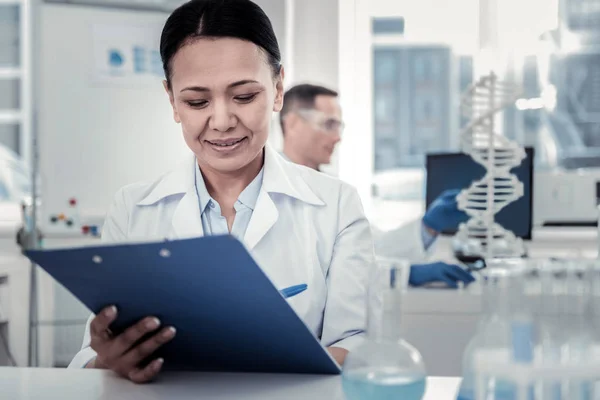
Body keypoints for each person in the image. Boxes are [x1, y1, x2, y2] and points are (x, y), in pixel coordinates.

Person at [68, 0, 373, 382]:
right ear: (172, 101)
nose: (223, 121)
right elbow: (87, 359)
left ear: (278, 89)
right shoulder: (134, 209)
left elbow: (358, 344)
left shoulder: (337, 205)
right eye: (197, 101)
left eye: (244, 96)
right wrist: (109, 360)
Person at [279, 84, 475, 288]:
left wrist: (428, 227)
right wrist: (405, 274)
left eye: (339, 127)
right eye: (329, 124)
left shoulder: (333, 193)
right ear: (293, 124)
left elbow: (372, 248)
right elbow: (315, 270)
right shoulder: (267, 191)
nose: (337, 137)